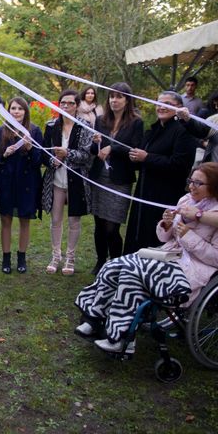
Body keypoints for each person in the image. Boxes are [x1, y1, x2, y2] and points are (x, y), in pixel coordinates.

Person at [75, 162, 218, 353]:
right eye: (191, 181)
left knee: (132, 275)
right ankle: (94, 318)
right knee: (114, 265)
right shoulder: (186, 201)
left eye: (198, 183)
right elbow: (165, 238)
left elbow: (215, 258)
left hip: (192, 269)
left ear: (214, 186)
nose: (191, 186)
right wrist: (166, 225)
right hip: (169, 255)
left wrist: (187, 236)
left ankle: (122, 337)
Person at [123, 91, 196, 254]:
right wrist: (136, 158)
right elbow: (143, 157)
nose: (162, 107)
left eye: (168, 103)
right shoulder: (153, 130)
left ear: (179, 108)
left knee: (157, 235)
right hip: (144, 192)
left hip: (165, 194)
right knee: (138, 233)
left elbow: (180, 164)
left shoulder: (183, 131)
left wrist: (147, 157)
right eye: (159, 103)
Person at [89, 83, 144, 275]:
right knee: (99, 224)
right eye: (111, 96)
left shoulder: (136, 122)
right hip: (99, 178)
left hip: (120, 180)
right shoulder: (100, 120)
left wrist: (112, 148)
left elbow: (135, 147)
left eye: (119, 97)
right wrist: (95, 143)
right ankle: (100, 261)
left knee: (112, 227)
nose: (114, 100)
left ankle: (115, 264)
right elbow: (93, 150)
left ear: (127, 100)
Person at [41, 89, 93, 275]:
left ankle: (70, 257)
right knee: (55, 219)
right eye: (63, 103)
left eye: (70, 103)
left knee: (74, 220)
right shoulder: (51, 125)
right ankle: (56, 255)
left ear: (77, 106)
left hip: (76, 180)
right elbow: (44, 152)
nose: (66, 106)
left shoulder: (85, 127)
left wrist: (67, 154)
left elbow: (87, 155)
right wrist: (51, 160)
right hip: (56, 180)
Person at [0, 98, 42, 273]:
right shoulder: (1, 131)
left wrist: (29, 148)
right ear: (8, 110)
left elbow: (38, 161)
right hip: (6, 183)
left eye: (20, 108)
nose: (16, 111)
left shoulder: (34, 131)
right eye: (13, 108)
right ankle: (6, 259)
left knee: (24, 220)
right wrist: (4, 155)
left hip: (27, 183)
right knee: (6, 220)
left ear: (26, 111)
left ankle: (21, 258)